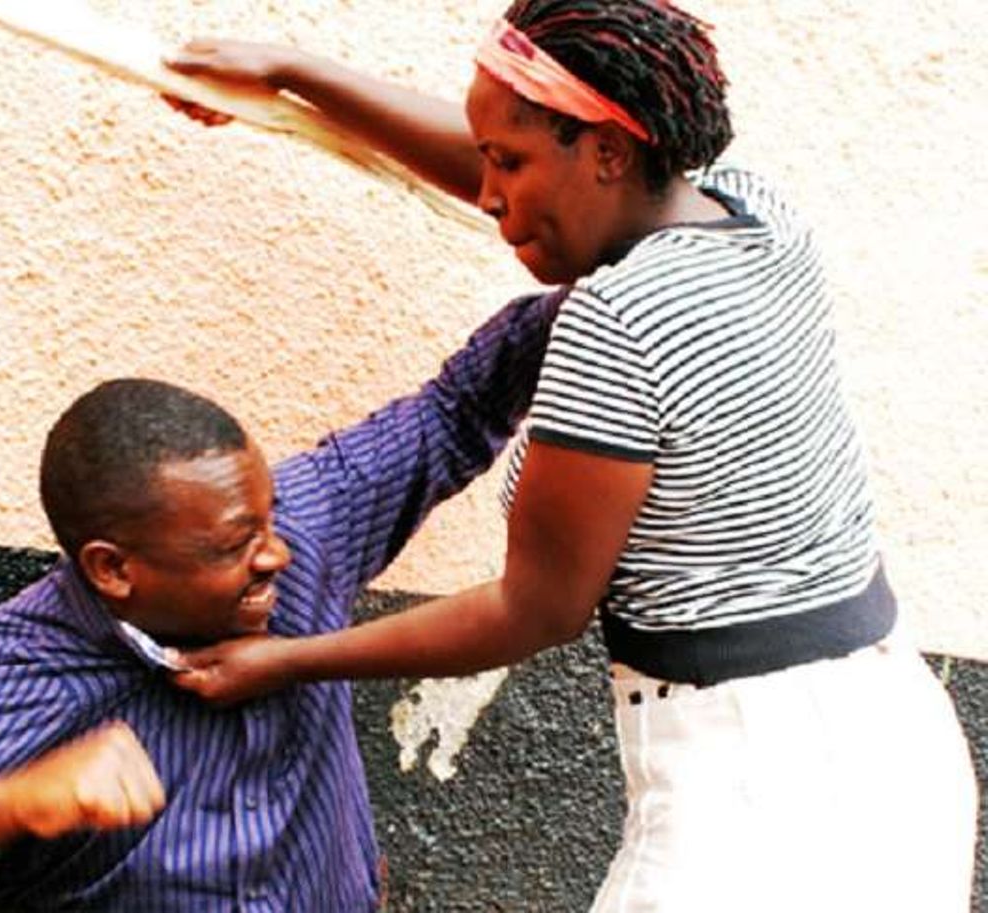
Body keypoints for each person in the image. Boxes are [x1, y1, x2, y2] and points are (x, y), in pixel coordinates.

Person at [162, 2, 979, 910]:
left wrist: (283, 659)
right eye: (487, 159)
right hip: (895, 747)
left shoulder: (617, 321)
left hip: (753, 792)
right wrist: (292, 75)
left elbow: (535, 608)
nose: (488, 194)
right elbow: (515, 161)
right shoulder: (757, 213)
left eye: (508, 164)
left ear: (609, 152)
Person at [0, 291, 559, 911]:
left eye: (269, 517)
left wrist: (612, 271)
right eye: (235, 543)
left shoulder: (302, 529)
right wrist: (1, 807)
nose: (276, 553)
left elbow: (456, 408)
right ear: (113, 569)